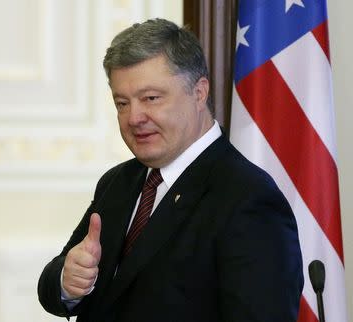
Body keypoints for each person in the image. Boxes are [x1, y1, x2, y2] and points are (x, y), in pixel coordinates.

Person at [38, 18, 303, 322]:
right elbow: (55, 285)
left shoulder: (248, 197)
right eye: (122, 103)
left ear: (199, 92)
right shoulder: (118, 182)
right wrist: (67, 282)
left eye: (151, 98)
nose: (134, 117)